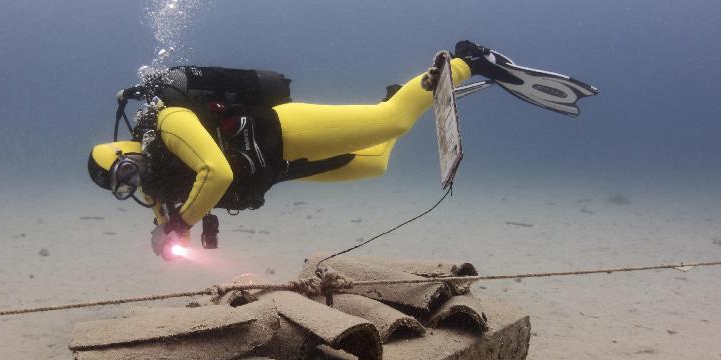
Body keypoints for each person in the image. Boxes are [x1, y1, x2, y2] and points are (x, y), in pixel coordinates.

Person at [88, 41, 597, 259]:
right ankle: (407, 91)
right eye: (123, 185)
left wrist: (179, 226)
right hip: (276, 170)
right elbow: (169, 219)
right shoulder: (156, 186)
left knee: (389, 121)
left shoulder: (171, 122)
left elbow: (217, 175)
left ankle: (469, 60)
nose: (133, 180)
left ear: (127, 147)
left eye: (127, 168)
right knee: (371, 162)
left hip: (283, 131)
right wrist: (165, 235)